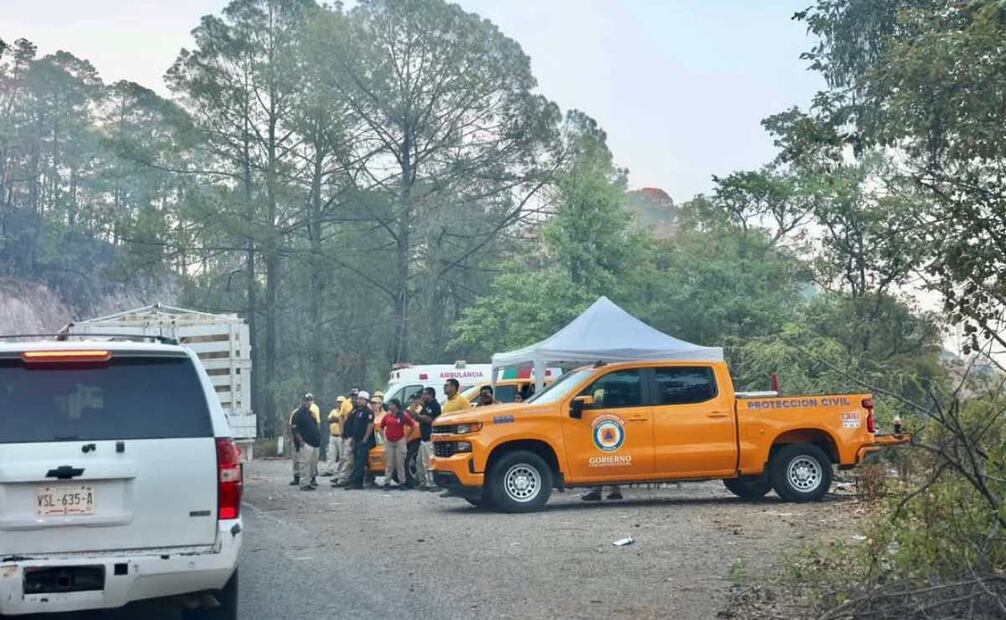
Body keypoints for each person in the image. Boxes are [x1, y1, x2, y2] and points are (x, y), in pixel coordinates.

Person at [379, 398, 415, 488]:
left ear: (396, 406)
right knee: (389, 463)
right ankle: (387, 482)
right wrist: (384, 438)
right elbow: (380, 427)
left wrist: (406, 437)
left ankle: (402, 482)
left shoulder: (403, 416)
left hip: (400, 440)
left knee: (400, 463)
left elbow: (412, 425)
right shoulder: (387, 416)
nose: (390, 406)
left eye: (391, 404)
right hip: (389, 441)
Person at [291, 394, 322, 491]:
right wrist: (301, 442)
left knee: (312, 465)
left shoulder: (311, 413)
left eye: (308, 401)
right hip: (305, 443)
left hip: (314, 443)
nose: (307, 403)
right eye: (305, 401)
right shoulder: (297, 414)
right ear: (301, 401)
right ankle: (304, 483)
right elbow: (294, 430)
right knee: (305, 464)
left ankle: (309, 482)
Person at [413, 387, 442, 491]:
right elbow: (415, 416)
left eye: (425, 394)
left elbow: (429, 419)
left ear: (431, 395)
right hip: (423, 437)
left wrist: (418, 416)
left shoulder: (435, 405)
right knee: (419, 461)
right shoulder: (424, 405)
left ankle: (432, 483)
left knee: (429, 462)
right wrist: (418, 406)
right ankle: (423, 482)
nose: (423, 396)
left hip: (430, 436)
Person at [347, 390, 376, 490]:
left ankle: (358, 483)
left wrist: (365, 439)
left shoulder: (369, 412)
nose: (359, 401)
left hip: (363, 441)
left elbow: (370, 426)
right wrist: (352, 438)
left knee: (360, 462)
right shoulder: (358, 411)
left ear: (366, 400)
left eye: (361, 399)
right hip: (356, 440)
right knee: (356, 461)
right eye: (359, 399)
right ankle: (354, 481)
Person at [334, 389, 359, 487]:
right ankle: (342, 479)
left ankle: (346, 478)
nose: (354, 398)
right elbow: (341, 418)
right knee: (347, 458)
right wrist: (342, 432)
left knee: (351, 459)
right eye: (352, 396)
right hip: (348, 436)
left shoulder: (358, 409)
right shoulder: (348, 406)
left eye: (356, 396)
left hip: (355, 437)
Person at [324, 396, 346, 475]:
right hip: (332, 436)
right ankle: (330, 470)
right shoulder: (333, 411)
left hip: (341, 436)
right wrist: (338, 419)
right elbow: (329, 420)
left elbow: (344, 420)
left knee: (342, 455)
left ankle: (341, 470)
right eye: (338, 402)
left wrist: (336, 419)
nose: (339, 403)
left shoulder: (345, 412)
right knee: (331, 454)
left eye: (341, 402)